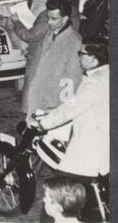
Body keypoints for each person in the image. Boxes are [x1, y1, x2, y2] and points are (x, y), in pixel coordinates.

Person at [30, 43, 109, 182]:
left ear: (93, 59)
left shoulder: (94, 82)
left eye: (81, 54)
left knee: (66, 180)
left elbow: (71, 109)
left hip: (94, 140)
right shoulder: (105, 74)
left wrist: (43, 123)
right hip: (103, 131)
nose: (78, 57)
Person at [9, 0, 84, 120]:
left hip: (54, 104)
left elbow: (72, 79)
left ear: (65, 19)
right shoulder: (50, 34)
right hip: (40, 99)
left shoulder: (74, 41)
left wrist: (62, 109)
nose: (49, 22)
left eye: (54, 19)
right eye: (48, 18)